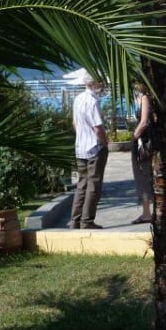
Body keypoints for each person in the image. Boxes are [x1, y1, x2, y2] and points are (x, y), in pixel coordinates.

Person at [71, 71, 108, 229]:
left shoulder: (78, 98)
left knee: (82, 184)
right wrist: (105, 143)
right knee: (93, 184)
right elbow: (97, 127)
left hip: (80, 146)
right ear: (95, 83)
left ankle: (75, 219)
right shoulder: (93, 101)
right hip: (94, 146)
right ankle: (87, 221)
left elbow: (74, 123)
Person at [130, 82, 155, 224]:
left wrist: (135, 135)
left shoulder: (145, 98)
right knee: (143, 175)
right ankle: (148, 211)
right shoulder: (141, 98)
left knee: (143, 174)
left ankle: (147, 213)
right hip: (144, 139)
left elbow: (144, 121)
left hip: (144, 141)